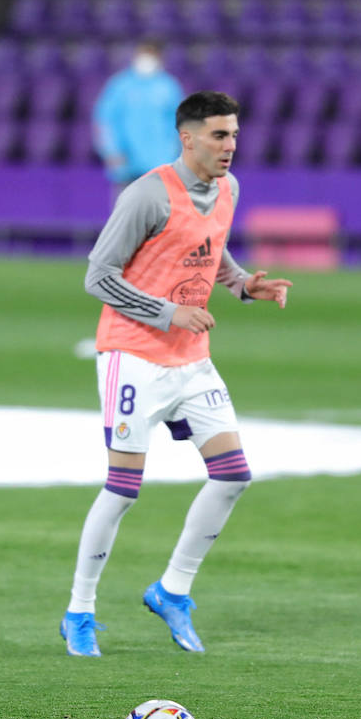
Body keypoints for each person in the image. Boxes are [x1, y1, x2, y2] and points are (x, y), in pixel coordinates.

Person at [61, 90, 293, 657]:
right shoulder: (147, 194)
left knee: (234, 474)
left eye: (234, 134)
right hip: (133, 355)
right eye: (219, 135)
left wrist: (242, 284)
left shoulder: (228, 189)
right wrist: (168, 312)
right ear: (187, 138)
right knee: (122, 489)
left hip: (191, 358)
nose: (231, 146)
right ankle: (80, 611)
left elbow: (209, 250)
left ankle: (172, 591)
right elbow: (98, 276)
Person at [92, 41, 184, 198]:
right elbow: (104, 121)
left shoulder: (168, 86)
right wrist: (111, 151)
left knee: (159, 216)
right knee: (127, 216)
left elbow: (182, 122)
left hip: (160, 165)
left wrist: (176, 154)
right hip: (126, 164)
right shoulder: (120, 85)